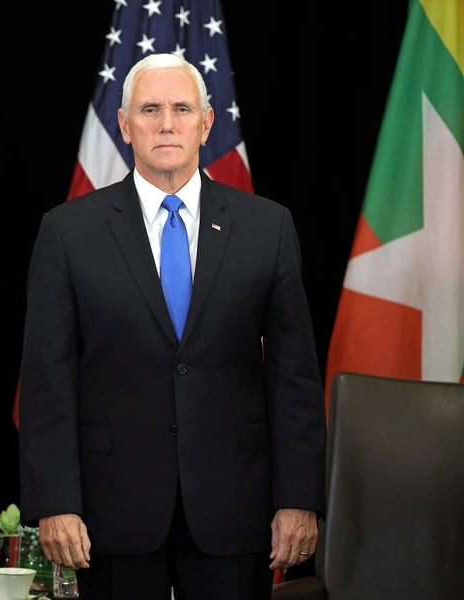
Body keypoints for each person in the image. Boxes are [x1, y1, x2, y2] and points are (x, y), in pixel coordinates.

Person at [18, 53, 327, 599]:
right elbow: (47, 382)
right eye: (150, 109)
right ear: (124, 124)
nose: (166, 123)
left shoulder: (268, 227)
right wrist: (55, 502)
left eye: (182, 109)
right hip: (109, 512)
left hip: (234, 506)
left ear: (207, 123)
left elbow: (295, 377)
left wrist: (298, 497)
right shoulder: (68, 232)